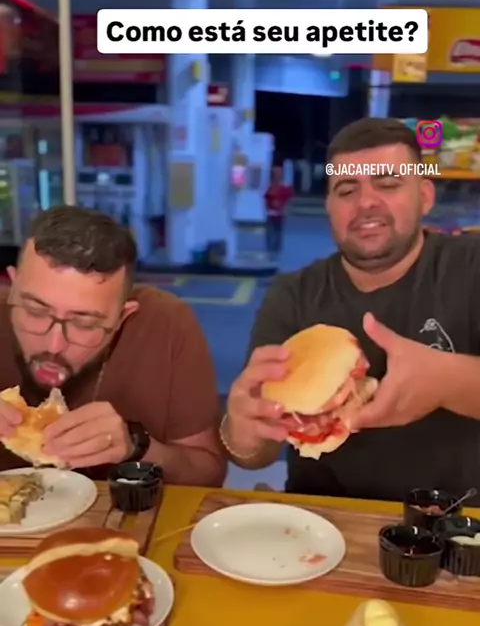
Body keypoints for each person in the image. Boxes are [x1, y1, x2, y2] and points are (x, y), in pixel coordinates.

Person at [221, 117, 480, 502]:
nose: (366, 202)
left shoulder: (470, 267)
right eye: (346, 189)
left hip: (458, 520)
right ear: (329, 206)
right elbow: (255, 455)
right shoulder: (294, 295)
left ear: (425, 196)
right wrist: (241, 431)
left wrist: (447, 381)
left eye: (388, 184)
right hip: (324, 517)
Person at [0, 206, 226, 486]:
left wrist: (137, 447)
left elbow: (207, 474)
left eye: (85, 324)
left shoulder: (167, 324)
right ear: (12, 285)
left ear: (122, 317)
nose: (54, 346)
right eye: (35, 311)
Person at [264, 165, 293, 259]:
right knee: (271, 232)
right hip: (270, 213)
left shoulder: (284, 187)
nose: (277, 176)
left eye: (279, 174)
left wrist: (284, 207)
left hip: (280, 213)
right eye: (275, 174)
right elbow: (265, 198)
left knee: (278, 232)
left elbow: (288, 199)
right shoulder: (269, 186)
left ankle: (276, 249)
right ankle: (270, 249)